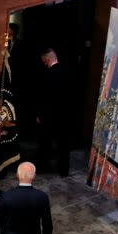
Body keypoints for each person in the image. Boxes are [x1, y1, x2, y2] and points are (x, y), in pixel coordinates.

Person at [37, 48, 70, 176]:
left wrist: (40, 115)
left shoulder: (47, 75)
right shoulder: (68, 72)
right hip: (64, 115)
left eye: (43, 61)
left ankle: (43, 166)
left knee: (45, 142)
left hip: (49, 115)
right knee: (63, 144)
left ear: (47, 59)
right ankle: (64, 170)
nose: (43, 63)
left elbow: (44, 98)